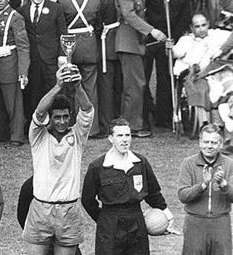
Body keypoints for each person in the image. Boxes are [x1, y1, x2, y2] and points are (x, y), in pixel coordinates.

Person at [22, 64, 93, 255]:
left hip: (69, 210)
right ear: (50, 118)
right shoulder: (38, 136)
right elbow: (38, 112)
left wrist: (78, 86)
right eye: (57, 117)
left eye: (65, 117)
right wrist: (58, 85)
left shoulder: (77, 137)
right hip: (41, 209)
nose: (62, 122)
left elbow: (87, 111)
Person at [82, 118, 175, 255]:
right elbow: (87, 200)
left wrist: (168, 215)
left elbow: (153, 192)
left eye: (128, 135)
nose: (125, 140)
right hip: (110, 223)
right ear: (110, 138)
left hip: (136, 220)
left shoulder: (140, 162)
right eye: (119, 135)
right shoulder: (98, 166)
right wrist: (103, 220)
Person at [115, 0, 167, 137]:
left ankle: (129, 124)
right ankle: (132, 127)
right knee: (134, 85)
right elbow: (129, 15)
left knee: (136, 84)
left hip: (134, 43)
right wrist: (151, 31)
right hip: (128, 42)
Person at [143, 0, 192, 129]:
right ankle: (145, 114)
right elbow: (143, 12)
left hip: (170, 41)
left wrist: (174, 38)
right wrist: (151, 31)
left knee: (165, 78)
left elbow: (185, 17)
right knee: (144, 76)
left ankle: (163, 118)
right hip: (151, 40)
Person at [57, 0, 101, 138]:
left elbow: (61, 25)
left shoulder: (62, 0)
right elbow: (97, 24)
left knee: (70, 87)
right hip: (89, 45)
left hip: (70, 46)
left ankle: (73, 124)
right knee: (90, 87)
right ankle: (93, 127)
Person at [178, 123, 233, 255]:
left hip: (221, 223)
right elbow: (183, 195)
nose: (209, 146)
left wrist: (224, 184)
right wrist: (202, 185)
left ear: (220, 144)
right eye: (206, 141)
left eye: (214, 142)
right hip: (195, 223)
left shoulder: (229, 164)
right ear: (200, 142)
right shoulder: (188, 163)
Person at [17, 0, 67, 122]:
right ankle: (36, 125)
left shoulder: (55, 8)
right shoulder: (22, 10)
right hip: (33, 58)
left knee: (55, 90)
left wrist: (62, 55)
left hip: (51, 58)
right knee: (33, 92)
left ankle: (57, 122)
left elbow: (63, 32)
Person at [0, 0, 29, 148]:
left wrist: (23, 71)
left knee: (14, 104)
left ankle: (17, 136)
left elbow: (23, 46)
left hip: (9, 63)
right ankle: (0, 133)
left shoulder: (15, 16)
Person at [97, 0, 122, 137]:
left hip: (107, 42)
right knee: (119, 84)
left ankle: (107, 125)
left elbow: (98, 21)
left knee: (106, 86)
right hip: (121, 41)